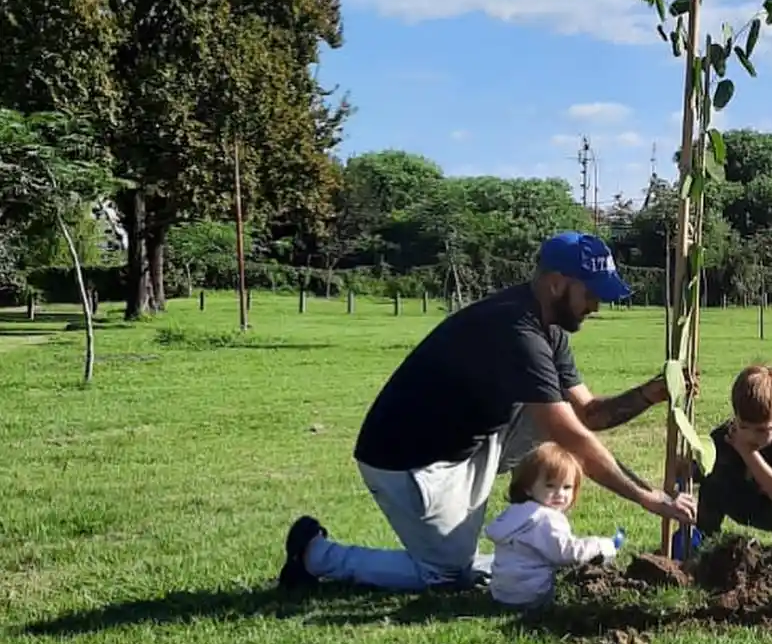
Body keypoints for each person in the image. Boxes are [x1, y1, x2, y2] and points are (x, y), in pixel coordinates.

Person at [278, 231, 696, 592]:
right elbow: (569, 434)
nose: (596, 306)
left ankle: (504, 542)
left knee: (561, 417)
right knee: (445, 575)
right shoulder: (515, 330)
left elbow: (586, 414)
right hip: (410, 461)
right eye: (590, 293)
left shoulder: (548, 328)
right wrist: (648, 497)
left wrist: (650, 393)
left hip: (470, 439)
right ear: (556, 283)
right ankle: (315, 554)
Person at [485, 443, 620, 607]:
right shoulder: (545, 519)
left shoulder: (515, 513)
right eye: (550, 486)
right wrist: (602, 545)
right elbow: (568, 553)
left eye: (567, 487)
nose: (560, 494)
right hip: (533, 594)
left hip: (503, 592)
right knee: (577, 576)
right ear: (527, 487)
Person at [695, 365, 772, 536]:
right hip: (737, 502)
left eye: (762, 430)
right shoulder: (724, 436)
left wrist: (747, 452)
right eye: (744, 426)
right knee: (711, 481)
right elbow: (697, 474)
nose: (751, 436)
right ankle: (705, 542)